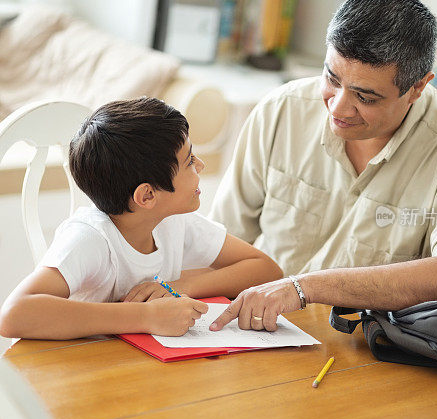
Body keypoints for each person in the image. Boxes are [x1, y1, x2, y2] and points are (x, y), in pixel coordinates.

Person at [209, 0, 437, 333]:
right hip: (256, 333)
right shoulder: (283, 110)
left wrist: (305, 287)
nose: (337, 107)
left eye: (365, 97)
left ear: (417, 87)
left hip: (365, 358)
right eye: (331, 79)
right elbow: (221, 241)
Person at [0, 98, 282, 340]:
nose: (201, 166)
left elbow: (266, 270)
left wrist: (177, 288)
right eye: (189, 161)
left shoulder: (172, 220)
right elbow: (13, 315)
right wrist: (146, 316)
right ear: (147, 196)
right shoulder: (90, 239)